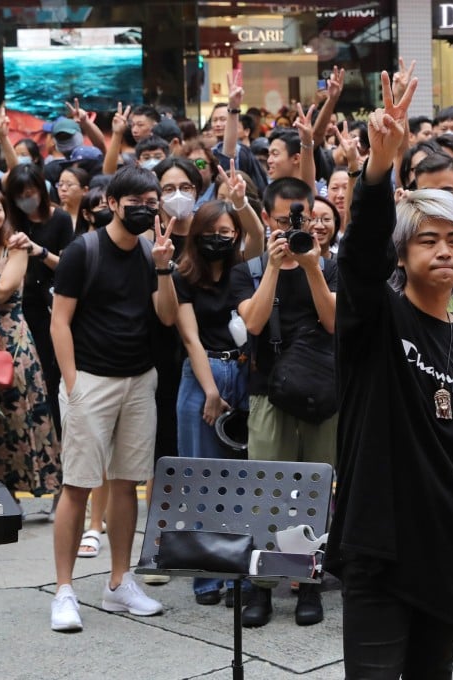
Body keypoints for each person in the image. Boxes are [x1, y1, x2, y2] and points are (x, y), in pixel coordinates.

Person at [326, 71, 453, 679]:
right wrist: (379, 168)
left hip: (449, 554)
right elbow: (357, 260)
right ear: (402, 255)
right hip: (378, 549)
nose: (445, 251)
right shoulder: (376, 321)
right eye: (427, 239)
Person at [48, 165, 179, 632]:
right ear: (113, 203)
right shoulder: (82, 251)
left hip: (139, 379)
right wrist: (72, 383)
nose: (145, 208)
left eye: (152, 201)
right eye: (136, 201)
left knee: (127, 483)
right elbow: (59, 321)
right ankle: (64, 590)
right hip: (91, 380)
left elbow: (166, 317)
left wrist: (163, 264)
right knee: (77, 485)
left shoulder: (150, 252)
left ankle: (119, 583)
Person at [232, 177, 338, 628]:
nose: (294, 227)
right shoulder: (251, 269)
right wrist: (275, 267)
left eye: (302, 219)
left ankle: (308, 585)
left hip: (323, 394)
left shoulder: (333, 268)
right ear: (268, 219)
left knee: (315, 496)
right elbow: (252, 325)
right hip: (267, 394)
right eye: (283, 220)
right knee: (267, 496)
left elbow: (336, 323)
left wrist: (311, 265)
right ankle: (262, 589)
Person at [174, 199, 257, 605]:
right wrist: (210, 391)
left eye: (227, 232)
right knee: (201, 479)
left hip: (244, 370)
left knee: (243, 481)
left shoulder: (245, 271)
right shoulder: (183, 275)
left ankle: (241, 574)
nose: (219, 239)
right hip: (203, 372)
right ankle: (207, 577)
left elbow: (259, 236)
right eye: (211, 232)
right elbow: (190, 337)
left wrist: (243, 204)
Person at [0, 186, 61, 497]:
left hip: (11, 340)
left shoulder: (15, 247)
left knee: (17, 415)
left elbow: (3, 291)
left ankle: (15, 488)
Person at [3, 163, 74, 438]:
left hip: (48, 305)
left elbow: (66, 267)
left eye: (30, 193)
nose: (25, 200)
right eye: (19, 195)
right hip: (16, 303)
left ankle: (55, 436)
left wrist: (39, 251)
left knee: (49, 372)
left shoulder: (60, 219)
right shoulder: (10, 219)